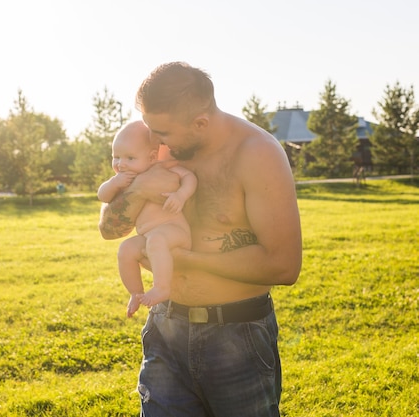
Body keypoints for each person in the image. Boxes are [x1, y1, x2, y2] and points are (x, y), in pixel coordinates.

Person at [98, 62, 302, 416]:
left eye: (162, 133)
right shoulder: (158, 147)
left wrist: (185, 258)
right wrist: (139, 188)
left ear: (201, 123)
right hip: (165, 327)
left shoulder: (257, 153)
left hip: (235, 337)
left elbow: (284, 265)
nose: (155, 142)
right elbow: (110, 229)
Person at [98, 120, 197, 318]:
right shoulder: (125, 180)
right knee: (126, 249)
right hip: (150, 235)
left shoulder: (163, 168)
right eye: (116, 157)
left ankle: (162, 288)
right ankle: (135, 292)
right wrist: (115, 183)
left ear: (152, 157)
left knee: (157, 240)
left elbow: (189, 177)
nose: (121, 164)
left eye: (130, 158)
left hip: (174, 231)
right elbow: (103, 196)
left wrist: (181, 195)